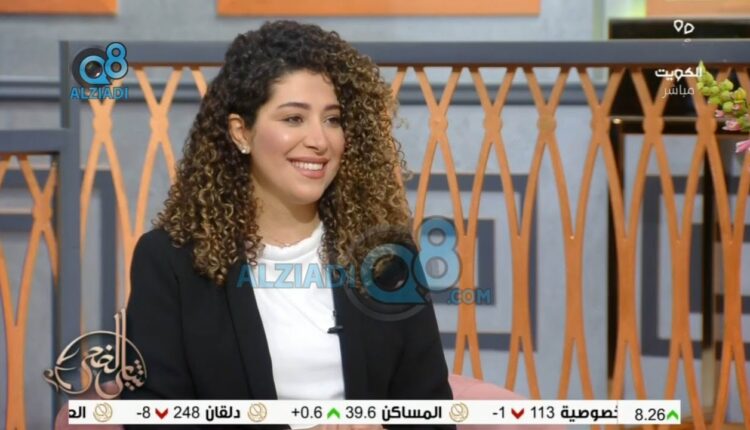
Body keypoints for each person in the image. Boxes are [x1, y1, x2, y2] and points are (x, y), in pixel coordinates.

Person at [123, 20, 454, 430]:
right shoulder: (169, 261)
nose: (320, 140)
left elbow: (432, 415)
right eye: (294, 118)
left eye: (333, 120)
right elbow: (151, 418)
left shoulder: (387, 259)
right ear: (241, 132)